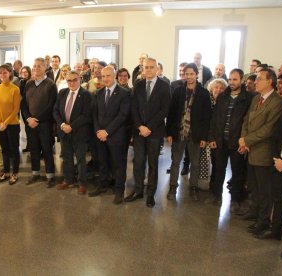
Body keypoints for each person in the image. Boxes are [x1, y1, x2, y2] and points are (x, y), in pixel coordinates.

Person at [239, 68, 282, 236]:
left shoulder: (277, 102)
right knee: (254, 186)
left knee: (265, 190)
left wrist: (247, 140)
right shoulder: (256, 99)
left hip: (264, 152)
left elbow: (269, 129)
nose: (255, 82)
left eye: (259, 79)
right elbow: (246, 120)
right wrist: (243, 139)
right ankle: (254, 212)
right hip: (250, 149)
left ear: (269, 82)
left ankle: (263, 220)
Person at [127, 58, 171, 207]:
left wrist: (149, 127)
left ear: (157, 68)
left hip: (155, 132)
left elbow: (164, 110)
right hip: (139, 131)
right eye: (146, 67)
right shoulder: (138, 85)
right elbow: (133, 108)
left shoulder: (164, 86)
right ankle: (138, 190)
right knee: (138, 162)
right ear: (142, 69)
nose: (149, 70)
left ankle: (151, 194)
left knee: (153, 163)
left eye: (152, 67)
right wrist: (140, 126)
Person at [208, 69, 255, 209]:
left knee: (237, 172)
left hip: (237, 142)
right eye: (230, 79)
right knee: (218, 170)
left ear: (241, 80)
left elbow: (249, 122)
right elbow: (214, 119)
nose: (232, 82)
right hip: (221, 140)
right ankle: (217, 196)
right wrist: (212, 137)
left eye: (235, 79)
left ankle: (235, 199)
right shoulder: (223, 97)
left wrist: (245, 141)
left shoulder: (248, 99)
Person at [166, 63, 212, 201]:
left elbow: (207, 117)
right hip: (179, 132)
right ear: (184, 75)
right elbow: (171, 113)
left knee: (195, 163)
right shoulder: (178, 91)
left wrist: (205, 137)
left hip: (195, 133)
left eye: (192, 74)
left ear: (196, 74)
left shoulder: (204, 93)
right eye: (187, 74)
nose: (189, 76)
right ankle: (173, 186)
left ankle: (193, 187)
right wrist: (169, 133)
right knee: (175, 161)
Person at [88, 66, 130, 204]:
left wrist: (107, 131)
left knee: (118, 164)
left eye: (108, 76)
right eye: (103, 76)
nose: (105, 79)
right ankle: (102, 184)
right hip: (100, 136)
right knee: (102, 162)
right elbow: (94, 115)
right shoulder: (98, 93)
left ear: (115, 77)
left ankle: (119, 191)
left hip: (116, 136)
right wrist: (98, 131)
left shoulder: (124, 93)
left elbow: (123, 115)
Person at [261, 109, 282, 258]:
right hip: (279, 165)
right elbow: (276, 138)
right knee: (279, 200)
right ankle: (276, 231)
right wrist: (277, 159)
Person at [53, 70, 92, 194]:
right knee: (67, 158)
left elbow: (86, 115)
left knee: (81, 159)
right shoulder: (62, 93)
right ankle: (68, 180)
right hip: (64, 132)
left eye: (74, 80)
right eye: (69, 80)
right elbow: (55, 111)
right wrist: (63, 124)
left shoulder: (86, 95)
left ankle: (82, 183)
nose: (72, 82)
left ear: (80, 79)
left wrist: (72, 126)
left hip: (79, 133)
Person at [21, 57, 57, 187]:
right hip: (30, 123)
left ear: (45, 68)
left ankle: (50, 176)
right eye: (34, 66)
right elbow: (24, 104)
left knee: (47, 150)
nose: (36, 68)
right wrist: (28, 118)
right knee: (34, 150)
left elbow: (52, 105)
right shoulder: (29, 84)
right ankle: (35, 174)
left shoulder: (50, 84)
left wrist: (38, 119)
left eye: (39, 66)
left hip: (45, 124)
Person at [0, 64, 21, 185]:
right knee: (4, 150)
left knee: (14, 149)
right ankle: (6, 172)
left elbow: (16, 109)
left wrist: (5, 123)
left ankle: (15, 173)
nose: (2, 75)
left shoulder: (15, 89)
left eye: (5, 72)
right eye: (0, 73)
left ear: (10, 74)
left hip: (12, 124)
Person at [199, 78, 227, 194]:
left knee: (217, 162)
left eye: (221, 88)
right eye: (216, 87)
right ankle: (200, 183)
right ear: (211, 88)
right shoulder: (206, 101)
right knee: (202, 160)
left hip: (219, 138)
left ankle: (214, 185)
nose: (218, 90)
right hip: (206, 136)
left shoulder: (225, 102)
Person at [19, 66, 32, 153]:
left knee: (30, 127)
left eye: (26, 72)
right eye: (23, 72)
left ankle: (32, 146)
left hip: (30, 107)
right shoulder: (21, 81)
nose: (24, 73)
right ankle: (29, 145)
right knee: (27, 127)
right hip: (23, 107)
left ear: (29, 73)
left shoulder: (31, 82)